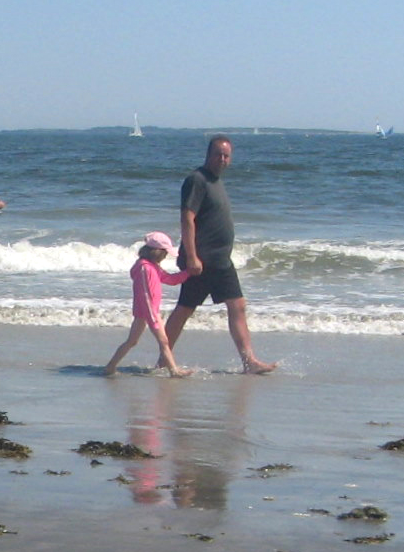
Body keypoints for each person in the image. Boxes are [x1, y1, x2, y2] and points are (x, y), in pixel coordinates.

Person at [163, 135, 277, 374]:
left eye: (226, 156)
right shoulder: (197, 180)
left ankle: (249, 361)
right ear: (208, 154)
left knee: (237, 306)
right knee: (185, 308)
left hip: (220, 260)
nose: (223, 159)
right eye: (218, 154)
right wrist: (191, 256)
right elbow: (187, 218)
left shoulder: (216, 181)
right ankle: (164, 358)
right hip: (203, 261)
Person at [103, 232, 192, 376]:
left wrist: (188, 273)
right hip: (148, 312)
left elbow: (170, 279)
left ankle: (110, 366)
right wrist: (152, 317)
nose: (166, 256)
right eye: (165, 253)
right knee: (163, 341)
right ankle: (174, 371)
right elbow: (145, 294)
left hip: (147, 312)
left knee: (132, 341)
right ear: (157, 252)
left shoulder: (152, 267)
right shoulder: (145, 268)